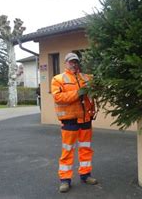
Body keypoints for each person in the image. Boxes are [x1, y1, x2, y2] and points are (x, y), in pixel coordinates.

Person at [51, 52, 98, 193]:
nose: (74, 64)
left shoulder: (87, 77)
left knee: (86, 149)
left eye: (76, 62)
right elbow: (58, 97)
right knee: (68, 150)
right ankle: (65, 180)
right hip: (69, 120)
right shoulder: (58, 79)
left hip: (85, 120)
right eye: (71, 62)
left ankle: (85, 175)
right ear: (65, 63)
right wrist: (78, 93)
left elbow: (96, 89)